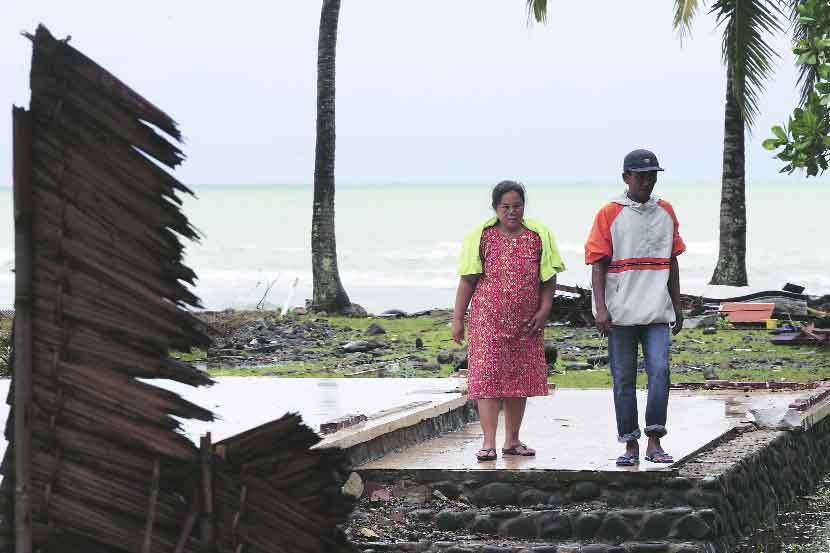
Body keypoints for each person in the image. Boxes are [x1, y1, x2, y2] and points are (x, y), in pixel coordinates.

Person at [584, 149, 686, 467]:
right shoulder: (609, 213)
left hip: (657, 310)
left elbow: (671, 262)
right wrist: (600, 309)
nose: (647, 181)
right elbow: (598, 266)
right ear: (626, 177)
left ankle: (655, 440)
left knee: (660, 372)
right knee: (624, 380)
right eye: (641, 175)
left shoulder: (666, 211)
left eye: (652, 175)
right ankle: (630, 443)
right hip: (620, 314)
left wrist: (678, 304)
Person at [453, 180, 566, 462]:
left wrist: (544, 309)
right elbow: (468, 280)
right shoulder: (482, 236)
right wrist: (457, 318)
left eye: (517, 206)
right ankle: (488, 443)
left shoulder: (538, 235)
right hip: (486, 319)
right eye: (506, 207)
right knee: (488, 380)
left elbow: (548, 277)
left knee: (519, 379)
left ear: (524, 207)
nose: (512, 212)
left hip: (526, 323)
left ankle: (512, 441)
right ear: (495, 208)